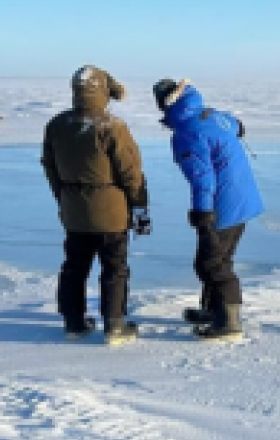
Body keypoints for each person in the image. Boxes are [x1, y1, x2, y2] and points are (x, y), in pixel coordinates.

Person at [42, 66, 151, 344]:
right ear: (103, 93)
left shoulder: (57, 125)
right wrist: (140, 206)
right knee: (114, 267)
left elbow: (50, 167)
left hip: (74, 210)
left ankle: (73, 322)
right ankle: (114, 325)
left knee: (75, 266)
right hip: (111, 211)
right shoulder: (112, 127)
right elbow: (131, 172)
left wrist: (64, 198)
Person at [153, 78, 263, 341]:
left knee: (212, 263)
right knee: (219, 258)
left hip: (223, 203)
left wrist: (203, 214)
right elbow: (238, 126)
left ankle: (229, 323)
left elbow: (202, 178)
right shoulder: (211, 115)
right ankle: (214, 311)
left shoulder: (189, 132)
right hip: (243, 197)